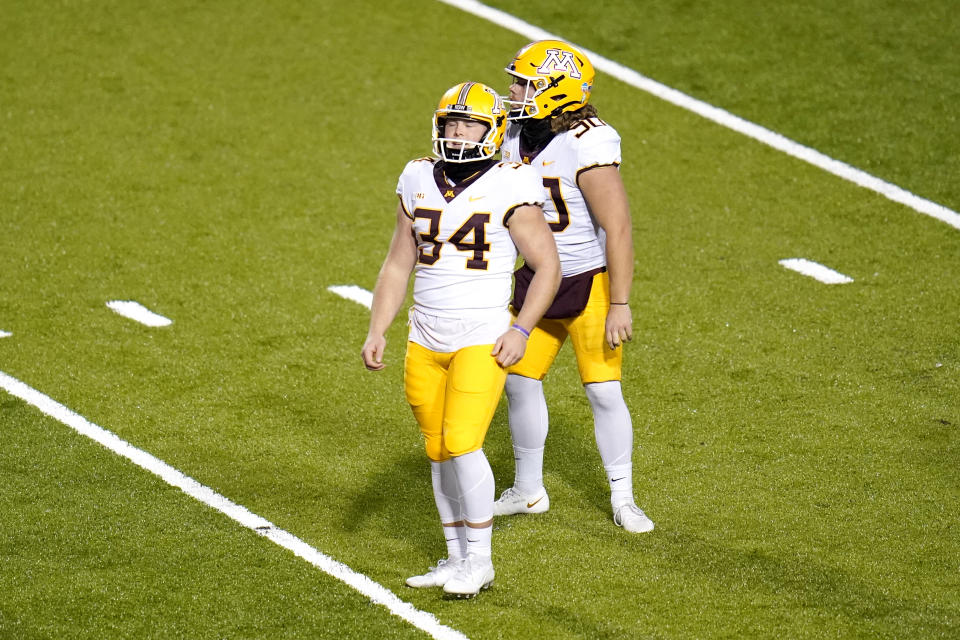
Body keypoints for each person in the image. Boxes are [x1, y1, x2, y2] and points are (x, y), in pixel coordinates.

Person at [361, 81, 561, 597]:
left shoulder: (511, 182)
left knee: (463, 443)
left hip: (482, 334)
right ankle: (455, 558)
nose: (457, 132)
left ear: (492, 129)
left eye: (469, 123)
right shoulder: (416, 176)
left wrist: (521, 329)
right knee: (438, 449)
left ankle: (481, 561)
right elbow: (398, 261)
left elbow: (547, 267)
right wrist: (378, 326)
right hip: (425, 335)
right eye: (452, 122)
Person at [491, 40, 655, 533]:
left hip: (588, 280)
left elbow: (618, 226)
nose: (514, 91)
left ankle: (623, 497)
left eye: (524, 83)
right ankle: (527, 490)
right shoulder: (513, 133)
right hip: (538, 277)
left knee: (603, 392)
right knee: (519, 382)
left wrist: (620, 302)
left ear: (555, 90)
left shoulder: (589, 142)